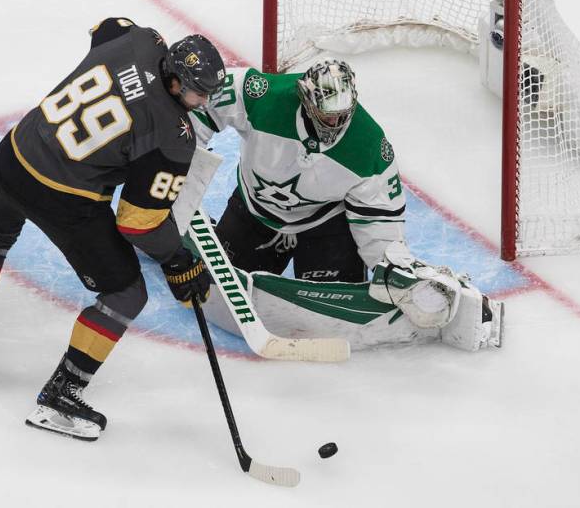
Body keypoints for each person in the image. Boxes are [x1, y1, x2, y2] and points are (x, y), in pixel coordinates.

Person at [0, 18, 224, 441]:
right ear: (174, 81)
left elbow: (102, 29)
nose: (202, 102)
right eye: (198, 92)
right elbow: (138, 224)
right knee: (126, 293)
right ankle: (61, 394)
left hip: (14, 156)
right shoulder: (173, 137)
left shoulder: (140, 38)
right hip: (63, 195)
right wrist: (178, 260)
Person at [191, 60, 504, 351]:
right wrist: (177, 168)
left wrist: (395, 270)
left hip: (325, 228)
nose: (336, 122)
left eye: (343, 114)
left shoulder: (369, 146)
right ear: (305, 99)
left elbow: (381, 228)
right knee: (210, 282)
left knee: (331, 315)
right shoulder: (261, 94)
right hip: (255, 214)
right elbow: (199, 109)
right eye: (328, 115)